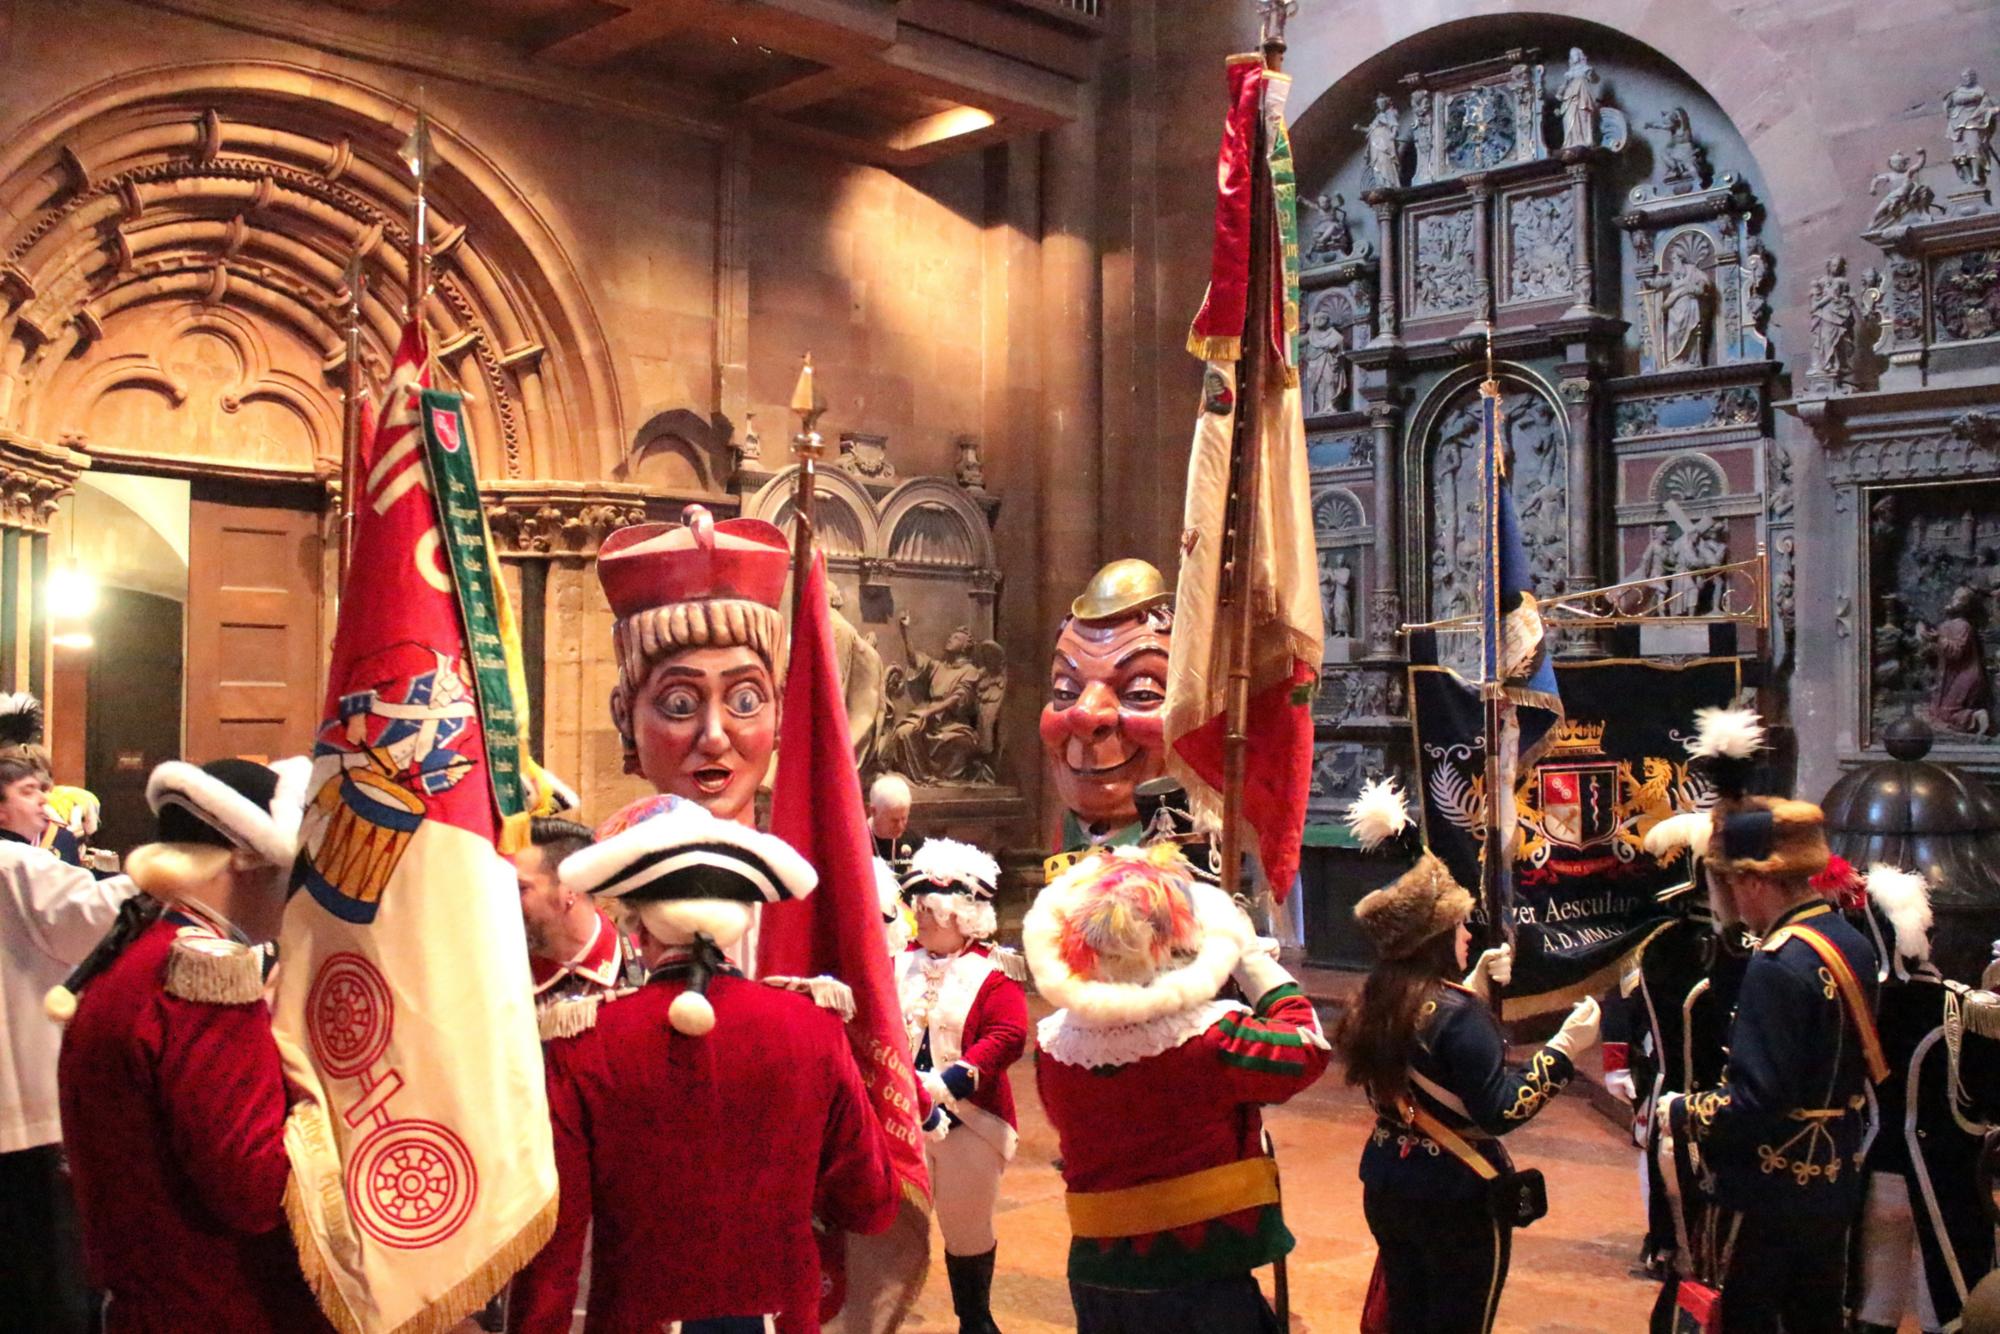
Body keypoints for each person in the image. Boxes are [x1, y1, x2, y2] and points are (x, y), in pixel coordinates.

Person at [507, 797, 899, 1334]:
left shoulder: (585, 1043)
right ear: (739, 924)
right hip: (781, 1316)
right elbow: (871, 1202)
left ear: (640, 926)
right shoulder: (815, 1028)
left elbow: (559, 1234)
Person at [55, 756, 329, 1332]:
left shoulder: (141, 948)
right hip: (223, 1306)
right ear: (252, 859)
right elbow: (252, 1190)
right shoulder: (207, 981)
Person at [1025, 843, 1327, 1332]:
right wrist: (1253, 966)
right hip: (1197, 1270)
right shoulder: (1211, 1038)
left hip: (1097, 1270)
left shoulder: (1055, 1044)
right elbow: (1307, 1048)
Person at [1337, 782, 1600, 1334]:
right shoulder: (1456, 1013)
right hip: (1456, 1192)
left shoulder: (1375, 997)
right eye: (1458, 925)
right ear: (1435, 938)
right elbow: (1498, 1109)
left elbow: (1426, 1040)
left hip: (1387, 1182)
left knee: (1409, 1318)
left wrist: (1473, 986)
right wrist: (1563, 1049)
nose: (1466, 933)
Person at [1658, 707, 1883, 1334]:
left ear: (1754, 882)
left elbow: (1755, 1101)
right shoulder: (1850, 942)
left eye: (1726, 883)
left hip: (1768, 1190)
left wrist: (1679, 1111)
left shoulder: (1778, 964)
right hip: (1832, 1180)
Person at [0, 751, 132, 1332]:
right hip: (21, 1114)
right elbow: (100, 913)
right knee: (42, 1271)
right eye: (30, 791)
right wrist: (181, 863)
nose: (46, 804)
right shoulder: (13, 865)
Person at [1851, 864, 2000, 1334]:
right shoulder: (1968, 1010)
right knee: (1952, 1308)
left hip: (1872, 1176)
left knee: (1873, 1306)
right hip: (1949, 1179)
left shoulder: (1854, 1009)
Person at [897, 838, 1027, 1334]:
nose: (921, 919)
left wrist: (949, 1084)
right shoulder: (897, 961)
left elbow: (1008, 1035)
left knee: (966, 1227)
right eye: (919, 909)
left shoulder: (995, 971)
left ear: (963, 917)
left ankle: (974, 1318)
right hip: (902, 1113)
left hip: (971, 1121)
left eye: (932, 911)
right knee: (891, 1224)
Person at [597, 504, 789, 828]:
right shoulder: (591, 877)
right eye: (680, 703)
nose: (714, 737)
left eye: (745, 701)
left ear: (780, 711)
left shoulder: (812, 878)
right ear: (625, 717)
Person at [1041, 560, 1174, 853]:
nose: (1084, 714)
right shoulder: (1067, 838)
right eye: (1066, 691)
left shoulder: (1195, 860)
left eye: (1141, 692)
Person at [514, 815, 639, 1015]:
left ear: (571, 887)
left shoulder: (650, 967)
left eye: (519, 888)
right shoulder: (498, 980)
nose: (502, 899)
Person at [870, 771, 920, 868]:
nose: (901, 826)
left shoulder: (913, 840)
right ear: (873, 811)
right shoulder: (858, 842)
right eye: (894, 820)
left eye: (904, 818)